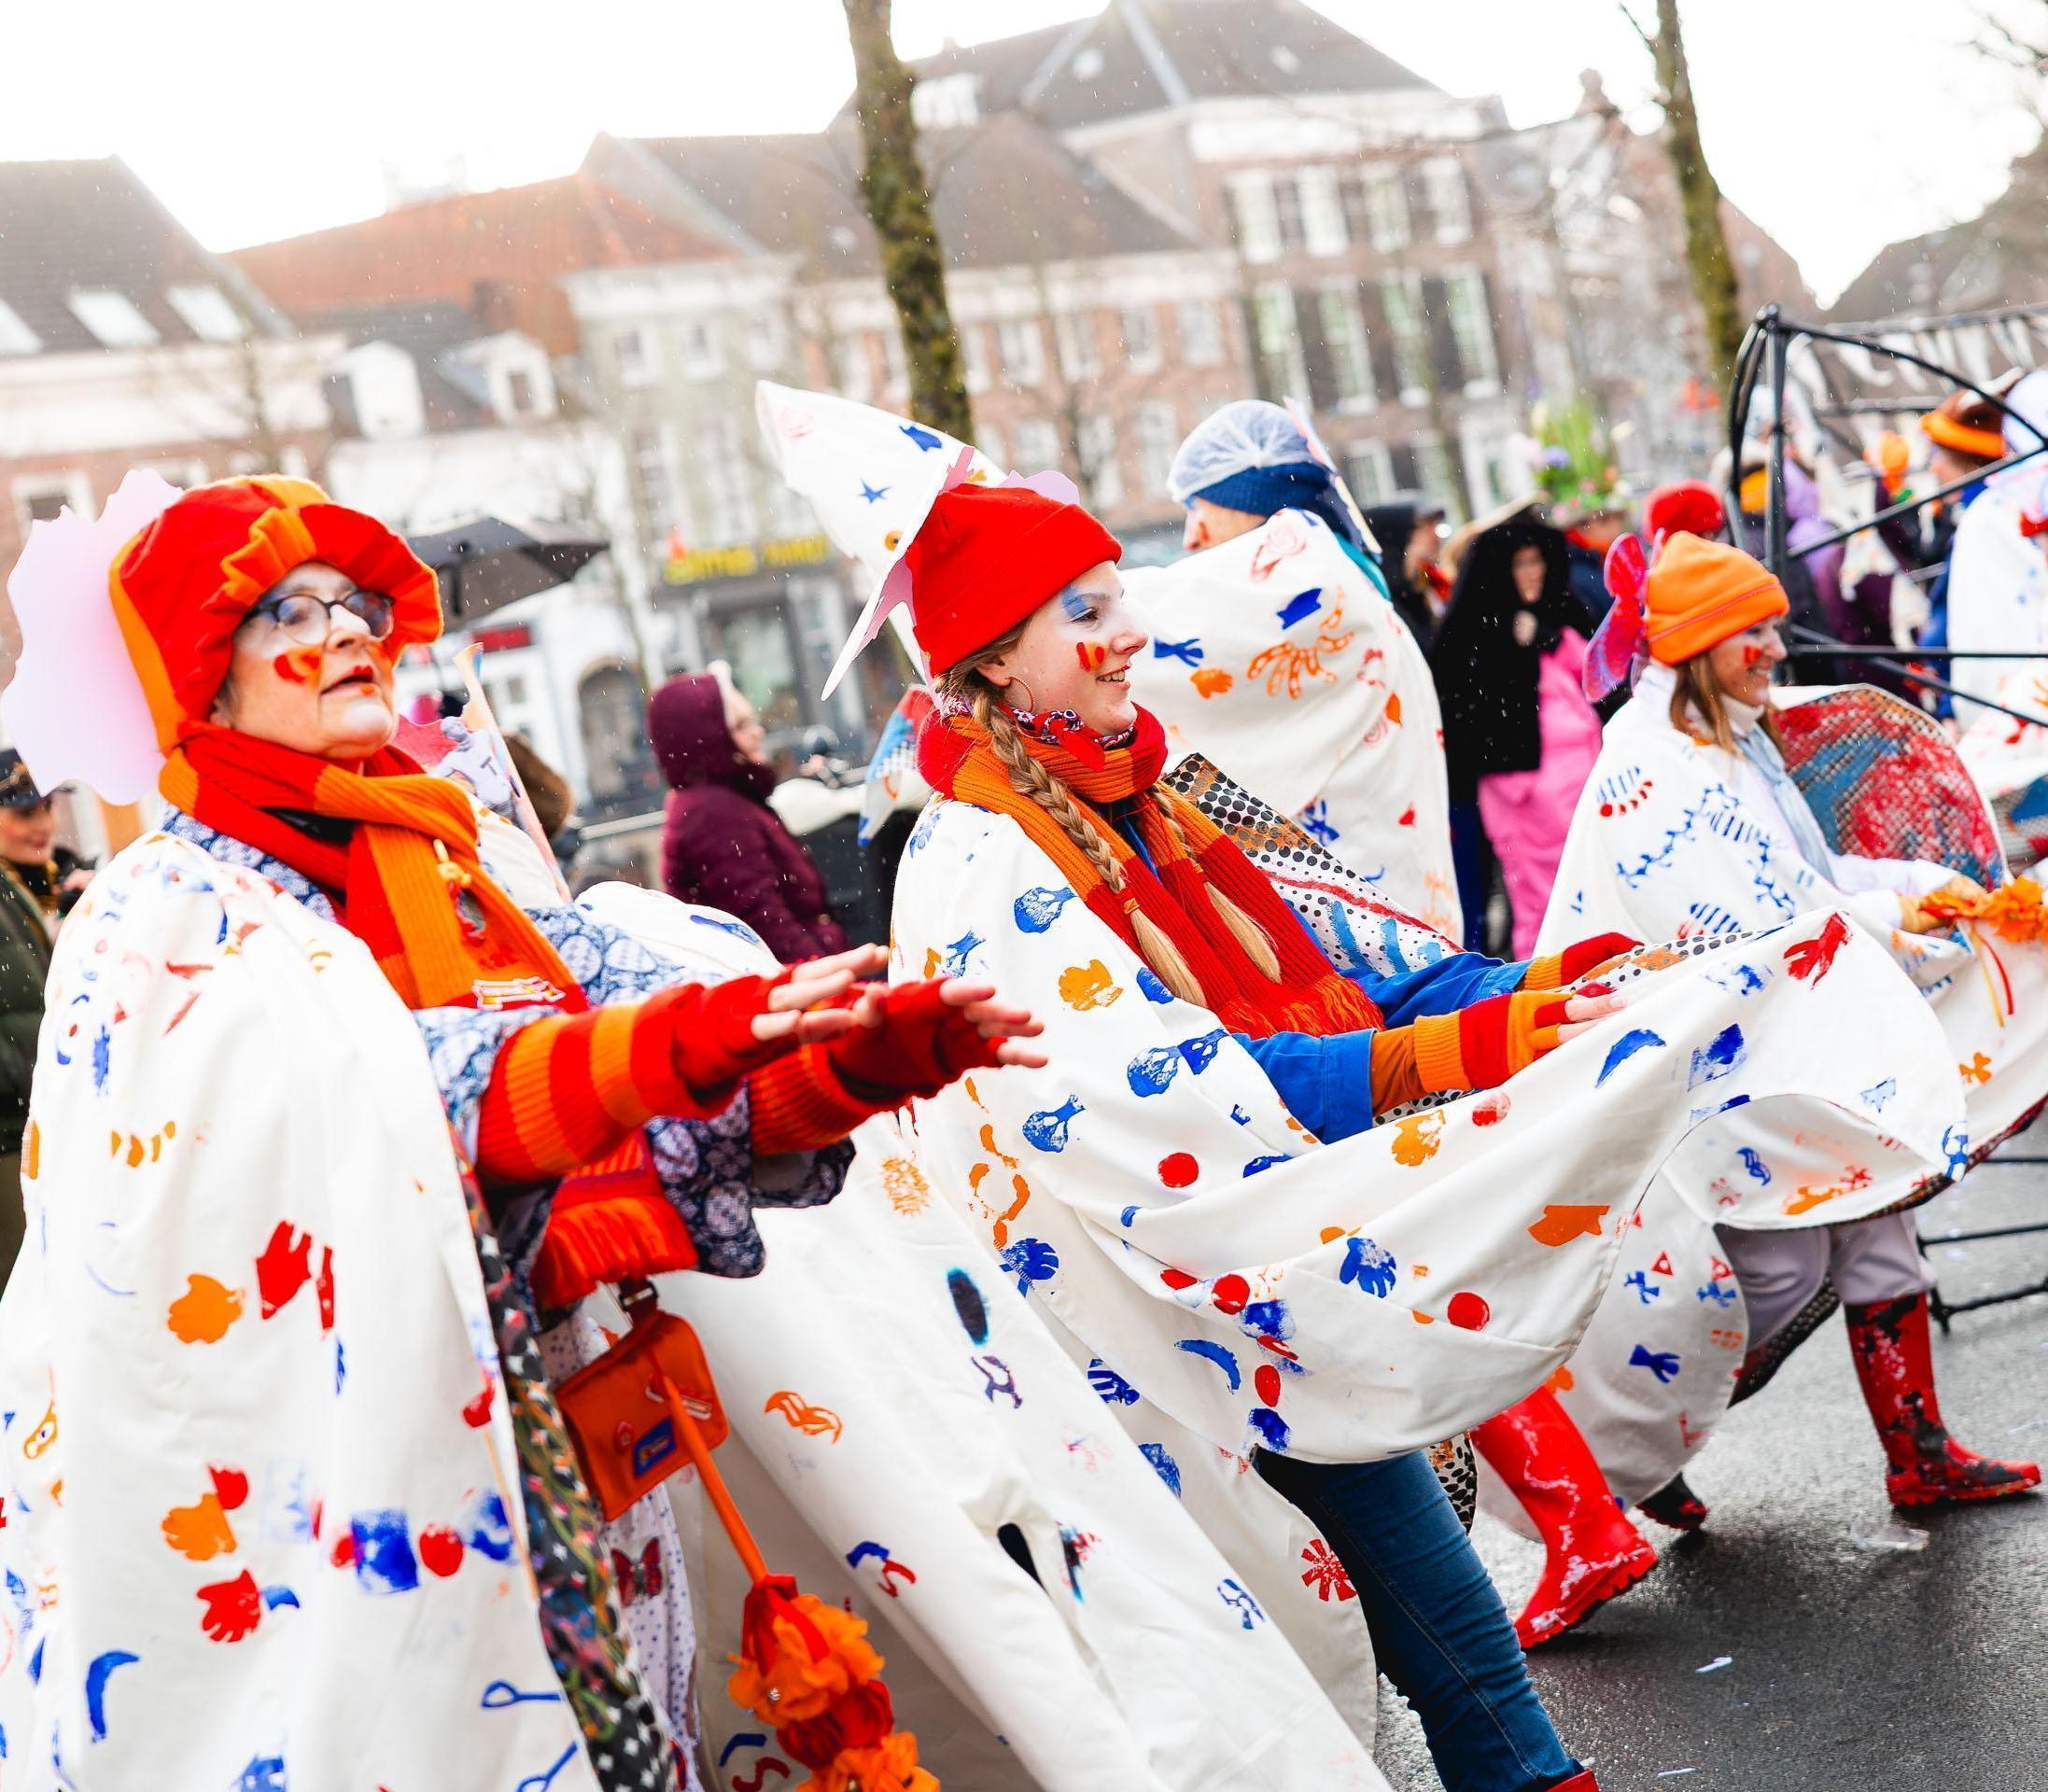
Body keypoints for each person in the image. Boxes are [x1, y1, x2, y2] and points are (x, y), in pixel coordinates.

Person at [871, 472, 1967, 1791]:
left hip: (1273, 1293)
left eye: (1125, 599)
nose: (1130, 636)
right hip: (1136, 1339)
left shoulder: (1165, 785)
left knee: (1474, 1701)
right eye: (1086, 610)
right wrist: (1454, 1051)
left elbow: (1369, 951)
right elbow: (1186, 1091)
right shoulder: (976, 863)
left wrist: (1562, 994)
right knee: (1229, 1720)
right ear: (991, 657)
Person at [0, 474, 1039, 1786]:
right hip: (345, 1492)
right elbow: (380, 1104)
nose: (353, 633)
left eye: (362, 602)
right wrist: (674, 1046)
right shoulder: (158, 918)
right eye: (292, 611)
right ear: (202, 677)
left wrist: (829, 1067)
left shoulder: (443, 855)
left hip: (577, 1446)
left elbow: (621, 1036)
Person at [1487, 531, 2044, 1645]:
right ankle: (1620, 1470)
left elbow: (1812, 884)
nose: (1774, 646)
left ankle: (1917, 1456)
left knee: (1878, 1223)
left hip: (1784, 1042)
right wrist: (1908, 918)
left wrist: (1941, 892)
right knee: (1764, 1275)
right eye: (1755, 628)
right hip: (1706, 1067)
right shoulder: (1654, 767)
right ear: (1697, 644)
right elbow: (1757, 925)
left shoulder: (1735, 740)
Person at [1121, 399, 1459, 935]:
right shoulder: (1337, 569)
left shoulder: (1304, 567)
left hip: (1368, 927)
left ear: (1251, 500)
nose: (1190, 536)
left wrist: (1055, 602)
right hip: (1388, 908)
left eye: (1199, 506)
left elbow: (1161, 633)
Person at [1428, 514, 1601, 957]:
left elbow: (1597, 680)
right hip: (1525, 790)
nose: (1534, 572)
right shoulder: (1476, 633)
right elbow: (1467, 709)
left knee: (1588, 889)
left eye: (1537, 561)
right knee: (1542, 903)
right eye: (1521, 563)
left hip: (1580, 785)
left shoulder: (1558, 616)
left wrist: (1548, 639)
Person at [651, 667, 854, 959]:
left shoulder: (718, 799)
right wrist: (831, 982)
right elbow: (765, 921)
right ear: (710, 738)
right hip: (797, 980)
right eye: (742, 726)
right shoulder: (712, 812)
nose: (758, 732)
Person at [0, 750, 70, 1289]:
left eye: (47, 807)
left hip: (32, 1127)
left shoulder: (25, 888)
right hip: (9, 1135)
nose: (44, 825)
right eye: (25, 812)